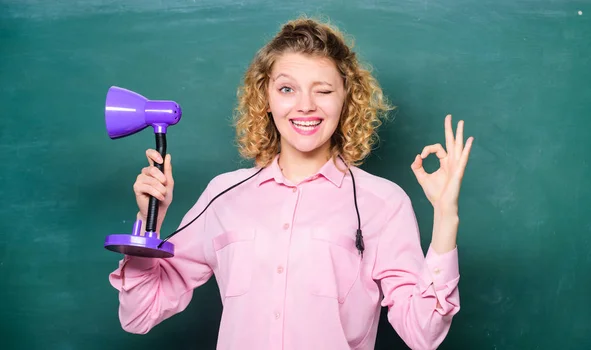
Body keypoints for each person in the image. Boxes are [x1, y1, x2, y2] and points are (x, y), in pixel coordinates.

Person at [108, 16, 474, 350]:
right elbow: (139, 315)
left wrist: (446, 217)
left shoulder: (383, 202)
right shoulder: (223, 195)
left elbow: (423, 334)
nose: (305, 106)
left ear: (346, 98)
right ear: (265, 97)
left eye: (323, 90)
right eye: (287, 89)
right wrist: (149, 221)